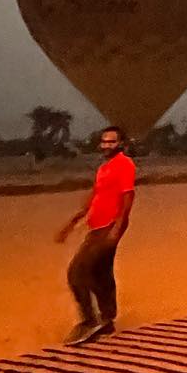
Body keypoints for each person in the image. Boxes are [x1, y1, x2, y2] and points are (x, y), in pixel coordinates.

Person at [55, 125, 135, 345]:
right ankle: (107, 319)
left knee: (77, 272)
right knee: (101, 273)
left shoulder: (125, 165)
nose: (106, 145)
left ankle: (89, 320)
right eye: (104, 141)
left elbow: (128, 198)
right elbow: (94, 196)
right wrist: (72, 223)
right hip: (95, 228)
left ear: (121, 144)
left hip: (109, 228)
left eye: (111, 141)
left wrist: (118, 229)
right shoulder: (104, 168)